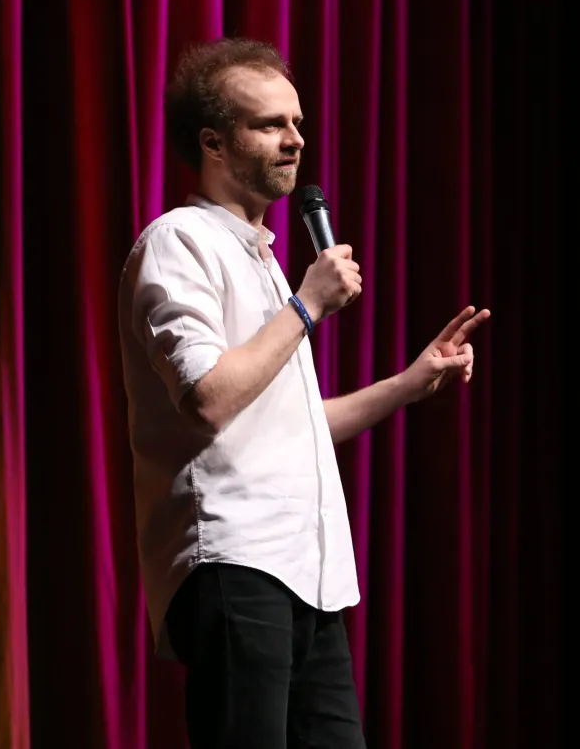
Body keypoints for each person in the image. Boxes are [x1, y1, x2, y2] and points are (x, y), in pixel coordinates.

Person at [116, 37, 490, 748]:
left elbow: (289, 422)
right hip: (235, 565)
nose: (296, 142)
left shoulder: (263, 263)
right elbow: (207, 397)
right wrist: (308, 305)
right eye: (270, 125)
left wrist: (409, 385)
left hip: (309, 576)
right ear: (214, 143)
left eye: (298, 124)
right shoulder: (180, 242)